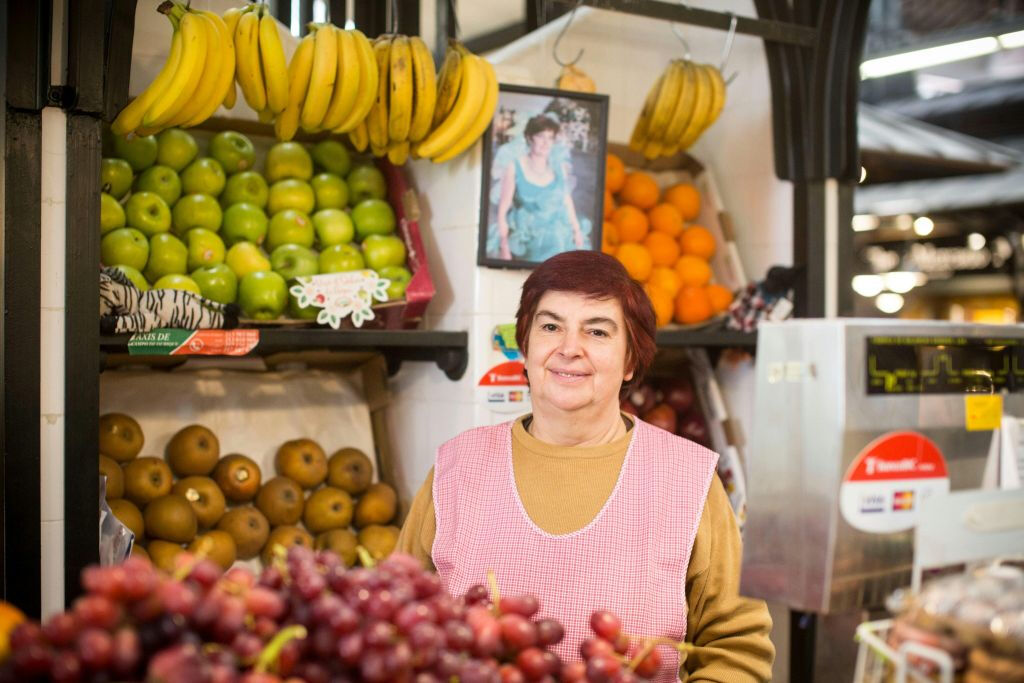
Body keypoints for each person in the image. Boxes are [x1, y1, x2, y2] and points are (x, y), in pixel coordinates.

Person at [397, 250, 775, 681]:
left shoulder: (688, 479)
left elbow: (736, 647)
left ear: (631, 360)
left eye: (596, 331)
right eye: (551, 326)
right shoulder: (456, 469)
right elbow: (401, 624)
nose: (569, 348)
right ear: (525, 346)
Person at [489, 114, 590, 262]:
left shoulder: (558, 167)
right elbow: (503, 209)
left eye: (550, 138)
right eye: (541, 136)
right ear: (529, 138)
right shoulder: (515, 167)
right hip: (527, 238)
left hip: (559, 236)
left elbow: (566, 201)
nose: (546, 143)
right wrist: (504, 246)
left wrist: (576, 230)